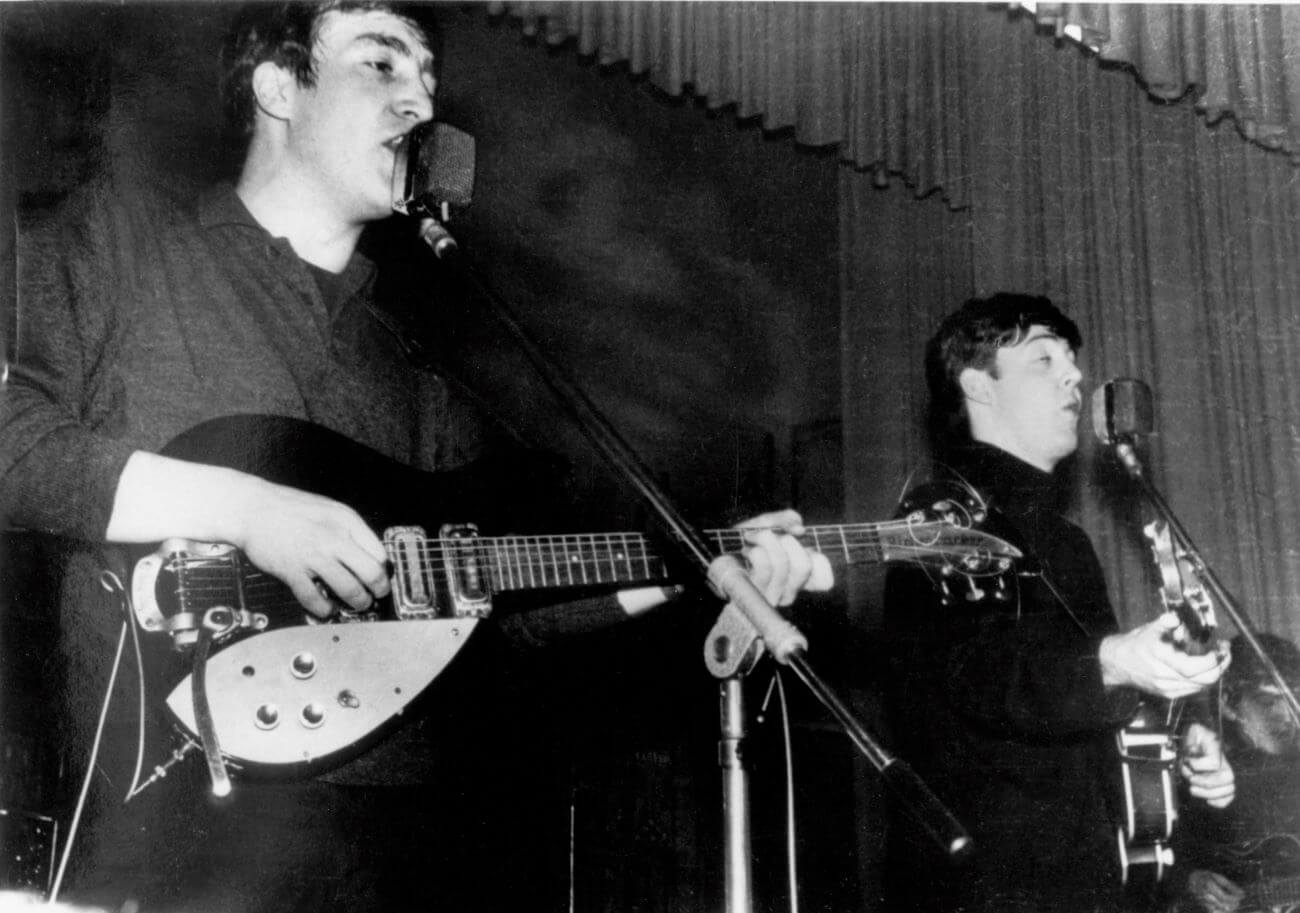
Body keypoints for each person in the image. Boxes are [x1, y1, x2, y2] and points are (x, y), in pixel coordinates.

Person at [0, 3, 830, 911]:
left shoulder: (419, 362)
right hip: (172, 834)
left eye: (428, 79)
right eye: (382, 64)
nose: (419, 101)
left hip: (401, 846)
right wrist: (245, 509)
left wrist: (686, 570)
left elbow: (487, 623)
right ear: (278, 86)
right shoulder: (119, 243)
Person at [881, 293, 1237, 913]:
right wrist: (1116, 661)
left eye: (1071, 358)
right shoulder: (935, 517)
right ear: (979, 386)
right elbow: (977, 677)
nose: (1074, 374)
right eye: (1043, 359)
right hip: (990, 886)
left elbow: (1085, 714)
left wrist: (1180, 742)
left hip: (1082, 878)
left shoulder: (1065, 540)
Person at [1161, 632, 1300, 913]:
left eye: (1294, 697)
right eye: (1268, 700)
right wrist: (1191, 880)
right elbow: (1154, 860)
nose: (1286, 716)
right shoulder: (1200, 774)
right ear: (1228, 703)